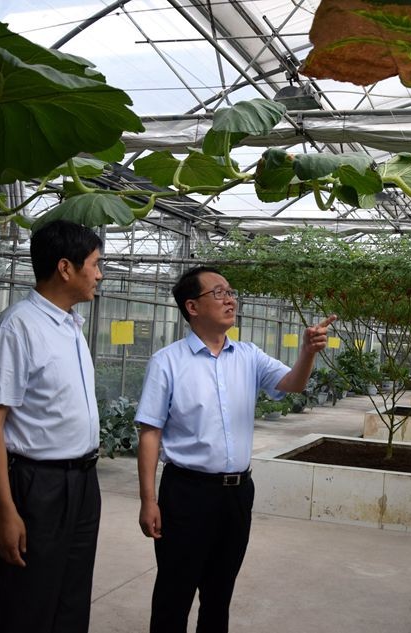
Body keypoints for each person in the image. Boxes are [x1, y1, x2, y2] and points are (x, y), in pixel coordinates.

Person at [135, 266, 335, 633]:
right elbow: (150, 432)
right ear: (192, 306)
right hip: (186, 493)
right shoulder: (168, 362)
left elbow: (292, 383)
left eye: (230, 292)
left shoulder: (248, 356)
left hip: (237, 494)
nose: (230, 300)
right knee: (174, 593)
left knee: (219, 594)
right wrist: (148, 501)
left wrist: (307, 352)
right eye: (219, 293)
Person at [0, 220, 104, 633]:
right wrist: (5, 511)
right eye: (95, 264)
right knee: (28, 601)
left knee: (72, 598)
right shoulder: (18, 326)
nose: (99, 275)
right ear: (65, 268)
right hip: (38, 485)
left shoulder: (71, 325)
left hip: (83, 482)